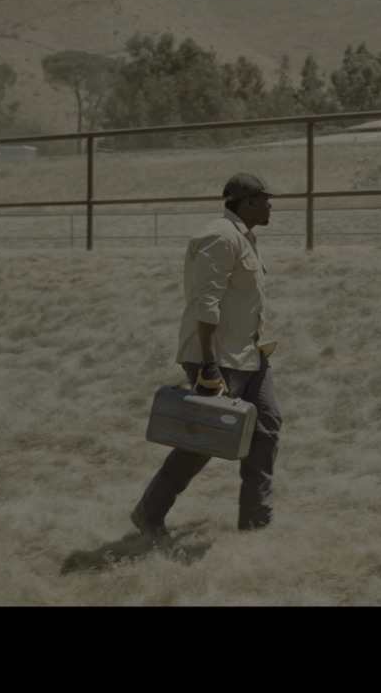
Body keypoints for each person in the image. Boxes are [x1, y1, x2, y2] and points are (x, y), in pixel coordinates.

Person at [132, 172, 282, 535]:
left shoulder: (245, 238)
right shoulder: (220, 236)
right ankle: (150, 512)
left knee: (266, 426)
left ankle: (255, 521)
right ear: (248, 201)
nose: (270, 205)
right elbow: (206, 302)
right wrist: (208, 365)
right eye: (265, 199)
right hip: (216, 357)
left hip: (249, 353)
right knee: (203, 441)